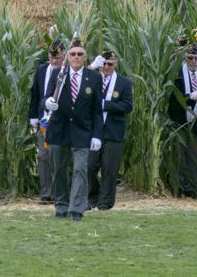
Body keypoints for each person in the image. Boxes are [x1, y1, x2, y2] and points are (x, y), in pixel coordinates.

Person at [42, 37, 103, 222]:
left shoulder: (94, 77)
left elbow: (97, 110)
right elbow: (44, 98)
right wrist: (48, 103)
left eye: (80, 54)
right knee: (59, 169)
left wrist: (97, 135)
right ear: (67, 57)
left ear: (85, 57)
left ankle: (76, 208)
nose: (76, 57)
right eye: (73, 54)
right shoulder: (58, 75)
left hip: (82, 131)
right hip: (59, 129)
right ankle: (61, 205)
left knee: (80, 170)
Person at [86, 49, 133, 210]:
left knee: (109, 168)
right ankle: (92, 197)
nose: (106, 67)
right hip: (94, 131)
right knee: (90, 165)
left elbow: (127, 106)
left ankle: (105, 202)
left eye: (110, 64)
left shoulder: (124, 83)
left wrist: (107, 105)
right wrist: (91, 67)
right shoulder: (93, 79)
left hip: (113, 131)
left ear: (115, 65)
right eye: (104, 64)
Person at [167, 41, 197, 199]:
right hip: (179, 120)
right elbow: (171, 99)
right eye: (189, 58)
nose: (193, 62)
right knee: (179, 154)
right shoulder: (177, 73)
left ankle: (192, 188)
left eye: (195, 58)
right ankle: (178, 188)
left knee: (193, 155)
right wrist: (188, 98)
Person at [28, 39, 65, 203]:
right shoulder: (42, 70)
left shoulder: (66, 71)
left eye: (57, 58)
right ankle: (46, 192)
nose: (54, 61)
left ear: (64, 56)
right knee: (43, 157)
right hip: (43, 120)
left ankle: (59, 192)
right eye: (52, 57)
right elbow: (35, 94)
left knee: (57, 157)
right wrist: (33, 116)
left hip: (60, 121)